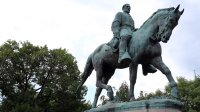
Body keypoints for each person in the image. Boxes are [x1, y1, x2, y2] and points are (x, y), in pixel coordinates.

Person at [111, 3, 157, 75]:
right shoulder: (119, 14)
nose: (128, 8)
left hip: (131, 31)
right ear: (123, 8)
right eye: (127, 7)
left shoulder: (131, 18)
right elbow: (115, 23)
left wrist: (136, 30)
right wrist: (116, 33)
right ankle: (122, 55)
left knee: (142, 43)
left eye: (129, 7)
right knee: (125, 36)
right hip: (123, 30)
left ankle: (146, 66)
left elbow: (132, 28)